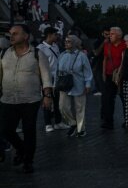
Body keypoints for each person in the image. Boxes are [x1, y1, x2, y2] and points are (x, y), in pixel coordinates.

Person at [0, 24, 54, 173]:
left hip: (30, 100)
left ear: (26, 36)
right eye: (11, 34)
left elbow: (46, 77)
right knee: (5, 129)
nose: (11, 36)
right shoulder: (4, 54)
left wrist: (47, 96)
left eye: (15, 34)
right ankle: (21, 149)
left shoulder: (37, 54)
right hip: (8, 99)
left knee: (29, 130)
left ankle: (28, 161)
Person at [57, 35, 93, 137]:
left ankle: (81, 129)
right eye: (65, 41)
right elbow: (57, 70)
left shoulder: (82, 56)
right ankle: (73, 123)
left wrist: (88, 83)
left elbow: (87, 71)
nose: (66, 43)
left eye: (68, 41)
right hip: (64, 84)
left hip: (78, 83)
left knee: (80, 108)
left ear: (75, 43)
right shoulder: (62, 54)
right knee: (62, 107)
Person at [37, 27, 67, 132]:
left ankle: (58, 122)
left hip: (57, 79)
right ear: (49, 35)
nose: (57, 36)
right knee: (47, 100)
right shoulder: (40, 48)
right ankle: (48, 123)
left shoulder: (56, 46)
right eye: (55, 34)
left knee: (58, 101)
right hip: (47, 79)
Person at [101, 27, 127, 129]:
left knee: (125, 98)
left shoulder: (125, 45)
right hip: (109, 75)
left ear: (119, 36)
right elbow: (105, 59)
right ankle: (108, 121)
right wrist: (103, 73)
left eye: (112, 34)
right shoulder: (107, 45)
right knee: (108, 99)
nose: (109, 35)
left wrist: (121, 73)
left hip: (122, 76)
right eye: (110, 34)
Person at [91, 27, 110, 96]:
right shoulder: (98, 42)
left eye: (109, 34)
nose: (107, 36)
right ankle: (98, 89)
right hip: (98, 63)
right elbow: (96, 53)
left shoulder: (111, 42)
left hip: (108, 64)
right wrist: (103, 44)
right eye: (106, 34)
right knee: (99, 78)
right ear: (102, 33)